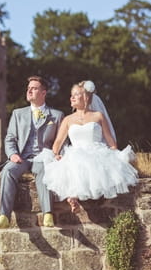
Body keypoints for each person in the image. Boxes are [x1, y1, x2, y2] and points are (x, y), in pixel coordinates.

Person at [43, 80, 138, 213]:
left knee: (91, 164)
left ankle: (75, 196)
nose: (72, 97)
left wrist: (114, 155)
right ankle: (73, 195)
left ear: (86, 97)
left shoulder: (98, 116)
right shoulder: (68, 120)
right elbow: (57, 143)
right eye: (71, 95)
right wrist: (56, 154)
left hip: (97, 152)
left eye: (76, 94)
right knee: (74, 162)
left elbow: (111, 142)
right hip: (75, 153)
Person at [0, 76, 64, 229]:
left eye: (34, 88)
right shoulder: (18, 114)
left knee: (44, 171)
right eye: (28, 88)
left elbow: (62, 140)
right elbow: (10, 138)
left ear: (44, 93)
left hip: (43, 157)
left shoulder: (57, 116)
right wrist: (12, 154)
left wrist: (59, 154)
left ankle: (48, 213)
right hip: (21, 157)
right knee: (7, 171)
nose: (29, 90)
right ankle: (4, 215)